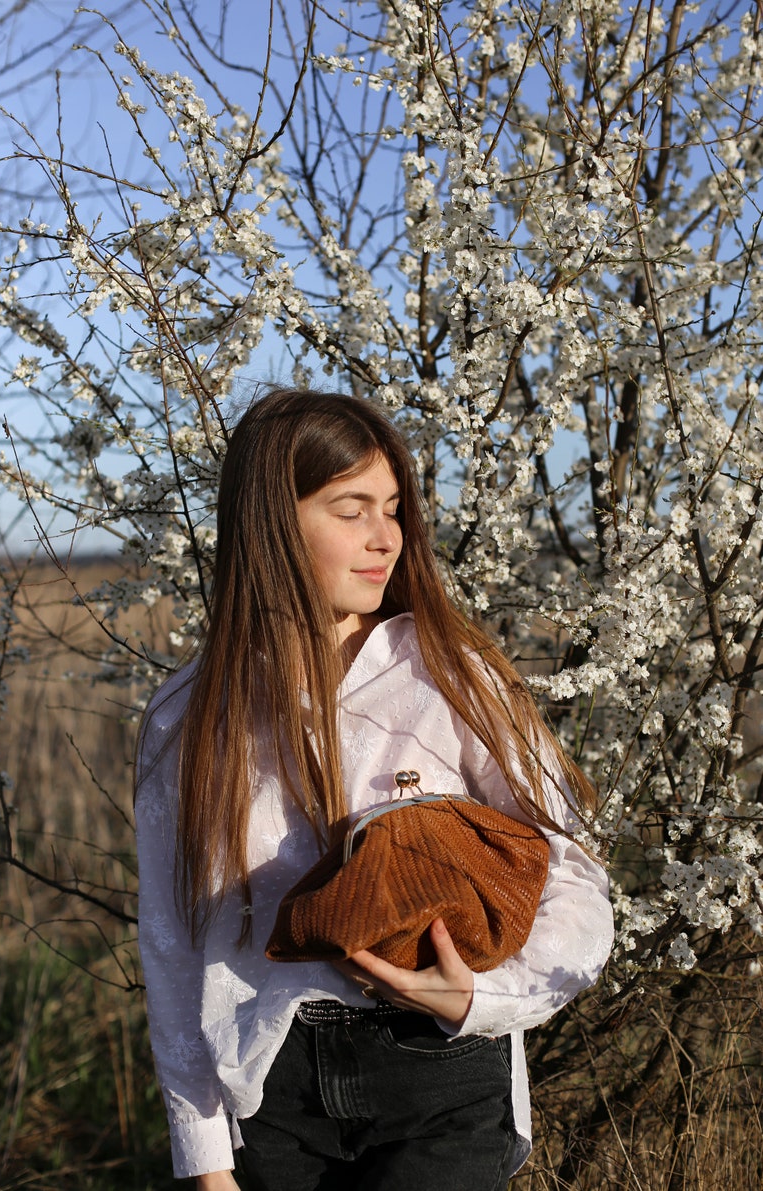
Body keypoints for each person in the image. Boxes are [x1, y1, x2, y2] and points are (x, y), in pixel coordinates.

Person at [135, 387, 614, 1190]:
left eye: (392, 507)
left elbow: (573, 872)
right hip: (269, 1085)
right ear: (271, 522)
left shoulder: (455, 679)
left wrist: (482, 993)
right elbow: (175, 942)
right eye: (350, 508)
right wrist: (203, 1154)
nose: (385, 536)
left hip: (441, 1070)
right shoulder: (191, 717)